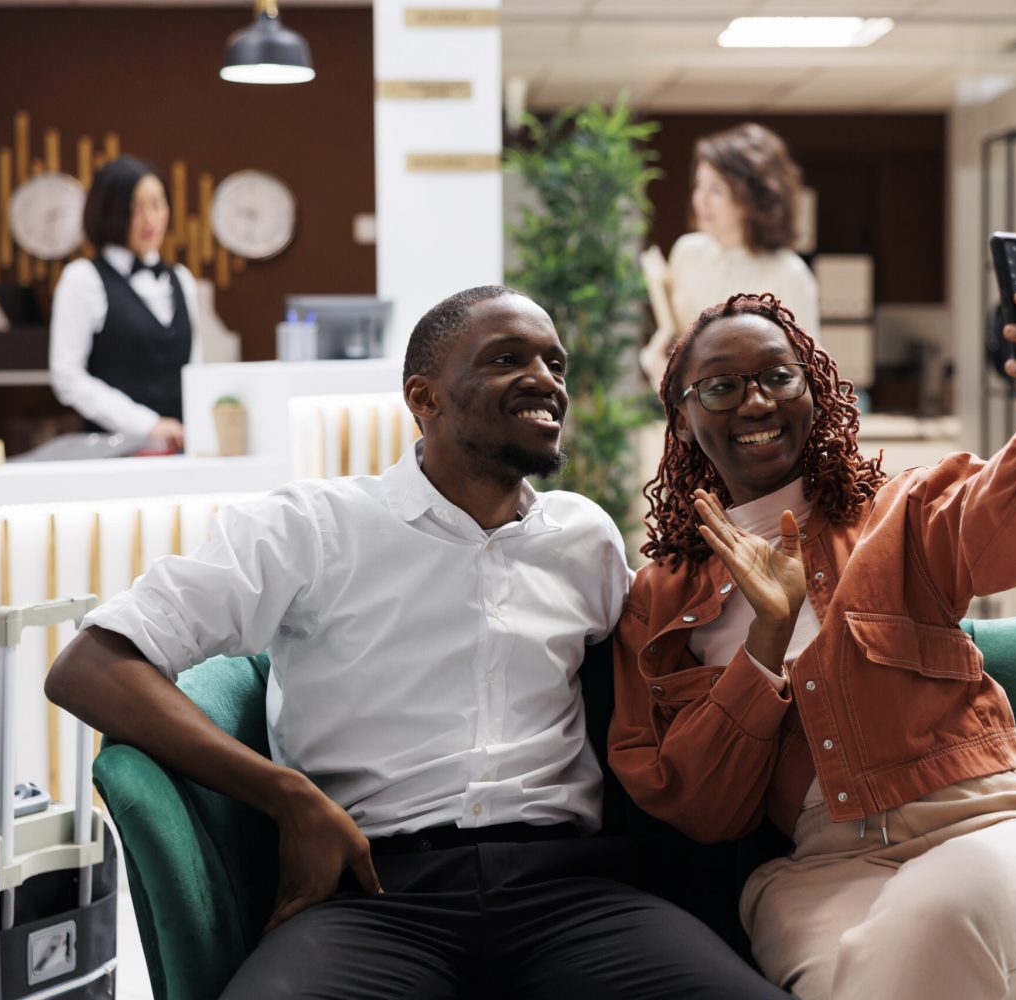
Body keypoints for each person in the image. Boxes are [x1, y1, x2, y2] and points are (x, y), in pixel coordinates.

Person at [46, 285, 788, 1000]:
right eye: (507, 359)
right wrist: (288, 796)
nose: (544, 380)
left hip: (571, 893)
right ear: (423, 398)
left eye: (555, 364)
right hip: (373, 895)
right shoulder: (311, 528)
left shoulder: (584, 537)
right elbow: (91, 668)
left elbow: (651, 684)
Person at [610, 285, 1016, 1000]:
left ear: (813, 389)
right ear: (684, 415)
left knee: (934, 924)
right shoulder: (658, 603)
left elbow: (1011, 517)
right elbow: (698, 807)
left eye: (777, 376)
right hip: (822, 877)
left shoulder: (902, 512)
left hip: (997, 828)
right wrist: (765, 640)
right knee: (905, 958)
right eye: (722, 387)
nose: (755, 403)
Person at [640, 123, 819, 388]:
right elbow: (677, 337)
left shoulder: (787, 272)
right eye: (698, 186)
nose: (700, 200)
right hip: (694, 411)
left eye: (716, 190)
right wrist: (657, 355)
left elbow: (809, 371)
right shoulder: (687, 252)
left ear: (752, 198)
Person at [49, 156, 197, 451]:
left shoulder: (182, 279)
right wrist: (146, 424)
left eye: (158, 204)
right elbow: (67, 376)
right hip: (113, 450)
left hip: (181, 449)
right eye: (135, 209)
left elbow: (196, 369)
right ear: (108, 213)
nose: (151, 220)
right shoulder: (83, 279)